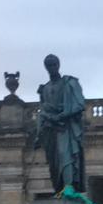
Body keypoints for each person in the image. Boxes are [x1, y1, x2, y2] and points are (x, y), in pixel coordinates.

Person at [35, 54, 86, 194]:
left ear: (58, 65)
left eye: (54, 64)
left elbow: (80, 104)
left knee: (66, 157)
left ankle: (69, 189)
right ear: (46, 67)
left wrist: (62, 115)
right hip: (50, 130)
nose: (52, 67)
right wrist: (38, 134)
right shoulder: (45, 88)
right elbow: (42, 110)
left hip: (66, 128)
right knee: (54, 164)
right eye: (49, 65)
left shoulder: (70, 82)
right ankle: (60, 189)